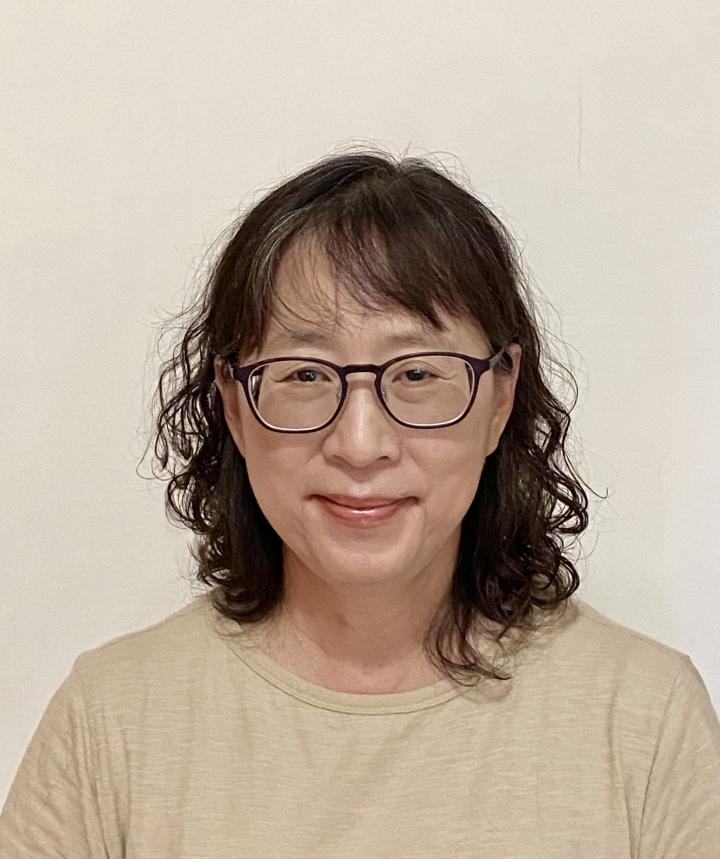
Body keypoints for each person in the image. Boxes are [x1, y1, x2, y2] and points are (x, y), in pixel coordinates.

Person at [1, 148, 719, 859]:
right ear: (235, 404)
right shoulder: (111, 722)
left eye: (417, 373)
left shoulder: (645, 723)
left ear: (500, 397)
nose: (360, 443)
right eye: (306, 374)